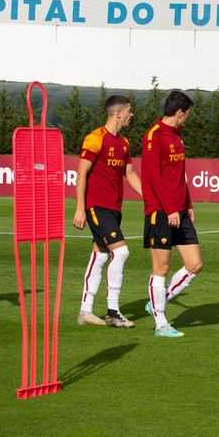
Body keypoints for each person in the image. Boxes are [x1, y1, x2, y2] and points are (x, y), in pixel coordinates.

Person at [72, 94, 142, 329]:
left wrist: (151, 198)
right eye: (130, 111)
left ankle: (85, 311)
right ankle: (113, 312)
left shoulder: (123, 143)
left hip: (114, 208)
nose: (132, 115)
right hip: (96, 206)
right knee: (120, 253)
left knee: (100, 256)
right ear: (118, 113)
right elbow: (81, 174)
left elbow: (130, 174)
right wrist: (80, 208)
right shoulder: (95, 138)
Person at [141, 90, 203, 339]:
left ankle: (158, 302)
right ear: (179, 113)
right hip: (161, 211)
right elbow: (153, 177)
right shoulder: (154, 135)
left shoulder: (177, 136)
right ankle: (161, 323)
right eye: (187, 114)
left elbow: (179, 174)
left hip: (179, 210)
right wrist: (170, 208)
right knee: (161, 268)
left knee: (195, 264)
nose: (187, 118)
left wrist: (187, 203)